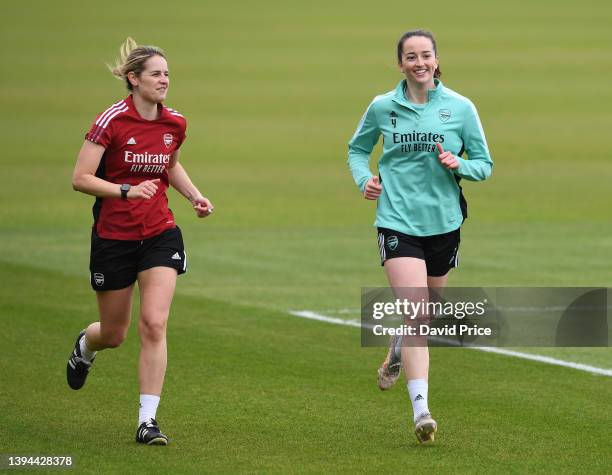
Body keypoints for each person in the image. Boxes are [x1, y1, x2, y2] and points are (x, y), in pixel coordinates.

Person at [348, 29, 493, 443]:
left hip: (445, 223)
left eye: (425, 55)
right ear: (400, 64)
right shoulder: (382, 107)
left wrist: (459, 164)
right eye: (410, 56)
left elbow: (484, 163)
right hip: (396, 221)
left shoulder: (461, 108)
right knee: (416, 313)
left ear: (435, 60)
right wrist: (365, 180)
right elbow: (357, 149)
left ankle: (398, 346)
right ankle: (421, 411)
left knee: (425, 314)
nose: (419, 62)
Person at [67, 37, 213, 445]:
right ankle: (85, 345)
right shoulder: (111, 120)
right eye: (155, 74)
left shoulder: (175, 123)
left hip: (159, 233)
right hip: (114, 236)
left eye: (167, 73)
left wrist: (193, 195)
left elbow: (170, 165)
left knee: (154, 323)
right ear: (133, 79)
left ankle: (147, 421)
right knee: (114, 333)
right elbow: (81, 179)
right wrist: (126, 192)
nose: (164, 80)